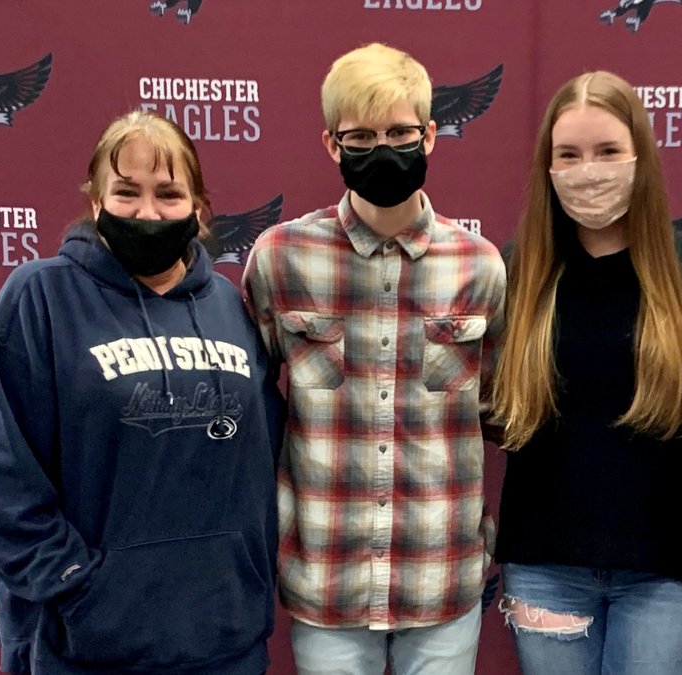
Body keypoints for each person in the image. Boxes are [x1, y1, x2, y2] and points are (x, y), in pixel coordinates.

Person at [0, 110, 283, 675]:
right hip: (85, 649)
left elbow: (261, 463)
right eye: (126, 192)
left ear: (199, 209)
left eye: (168, 194)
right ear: (96, 201)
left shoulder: (232, 309)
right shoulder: (40, 298)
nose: (147, 212)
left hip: (225, 643)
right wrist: (76, 586)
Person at [241, 43, 505, 675]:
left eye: (399, 133)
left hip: (439, 574)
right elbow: (250, 403)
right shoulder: (280, 259)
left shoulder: (480, 267)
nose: (382, 150)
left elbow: (497, 405)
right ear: (332, 144)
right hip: (326, 577)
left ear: (430, 136)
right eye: (360, 137)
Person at [493, 70, 682, 675]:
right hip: (543, 566)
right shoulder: (516, 272)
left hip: (668, 571)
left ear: (640, 157)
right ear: (548, 166)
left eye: (607, 151)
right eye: (569, 155)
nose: (589, 171)